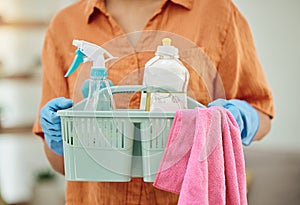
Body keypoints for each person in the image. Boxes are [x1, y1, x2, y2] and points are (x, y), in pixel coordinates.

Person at [33, 0, 274, 204]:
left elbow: (261, 114)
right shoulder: (65, 25)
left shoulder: (216, 12)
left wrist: (241, 118)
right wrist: (60, 137)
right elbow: (62, 165)